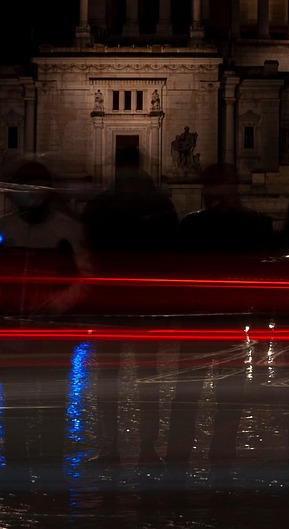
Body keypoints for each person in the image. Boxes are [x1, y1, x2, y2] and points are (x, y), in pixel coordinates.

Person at [162, 163, 277, 482]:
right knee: (222, 399)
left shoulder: (192, 226)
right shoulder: (255, 225)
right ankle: (216, 459)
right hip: (226, 322)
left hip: (206, 322)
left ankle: (181, 461)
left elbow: (177, 278)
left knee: (193, 398)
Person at [79, 146, 179, 470]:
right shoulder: (161, 205)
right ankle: (148, 448)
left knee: (108, 380)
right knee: (147, 379)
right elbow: (170, 257)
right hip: (146, 302)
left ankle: (111, 448)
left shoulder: (99, 206)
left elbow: (88, 252)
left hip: (110, 302)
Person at [0, 161, 91, 489]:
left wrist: (56, 305)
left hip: (52, 331)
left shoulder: (66, 230)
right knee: (14, 407)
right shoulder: (4, 228)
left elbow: (85, 278)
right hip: (12, 332)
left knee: (53, 406)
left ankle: (50, 472)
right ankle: (17, 471)